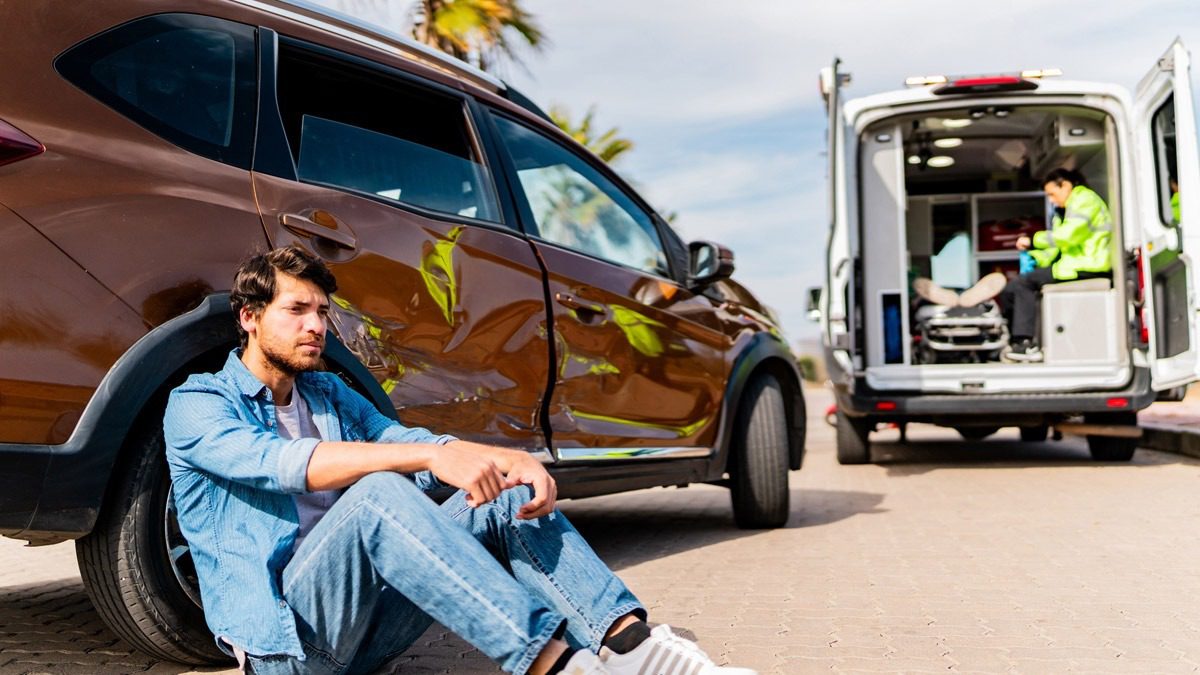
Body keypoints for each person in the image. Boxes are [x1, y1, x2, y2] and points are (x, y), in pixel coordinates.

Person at [163, 246, 755, 675]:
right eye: (297, 310)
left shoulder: (328, 393)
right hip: (289, 651)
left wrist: (500, 459)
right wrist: (423, 457)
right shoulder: (196, 406)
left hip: (368, 634)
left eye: (321, 312)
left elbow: (397, 437)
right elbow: (283, 462)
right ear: (250, 317)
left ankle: (639, 654)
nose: (317, 326)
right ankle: (555, 666)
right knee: (377, 495)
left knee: (506, 496)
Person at [998, 168, 1113, 362]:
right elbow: (1056, 249)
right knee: (1011, 289)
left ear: (1066, 185)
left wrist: (1033, 240)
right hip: (1073, 266)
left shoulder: (1084, 199)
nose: (1051, 200)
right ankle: (1017, 341)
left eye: (1052, 194)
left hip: (1089, 267)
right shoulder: (1065, 209)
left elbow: (1068, 236)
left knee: (1022, 284)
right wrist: (1035, 257)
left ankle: (1024, 342)